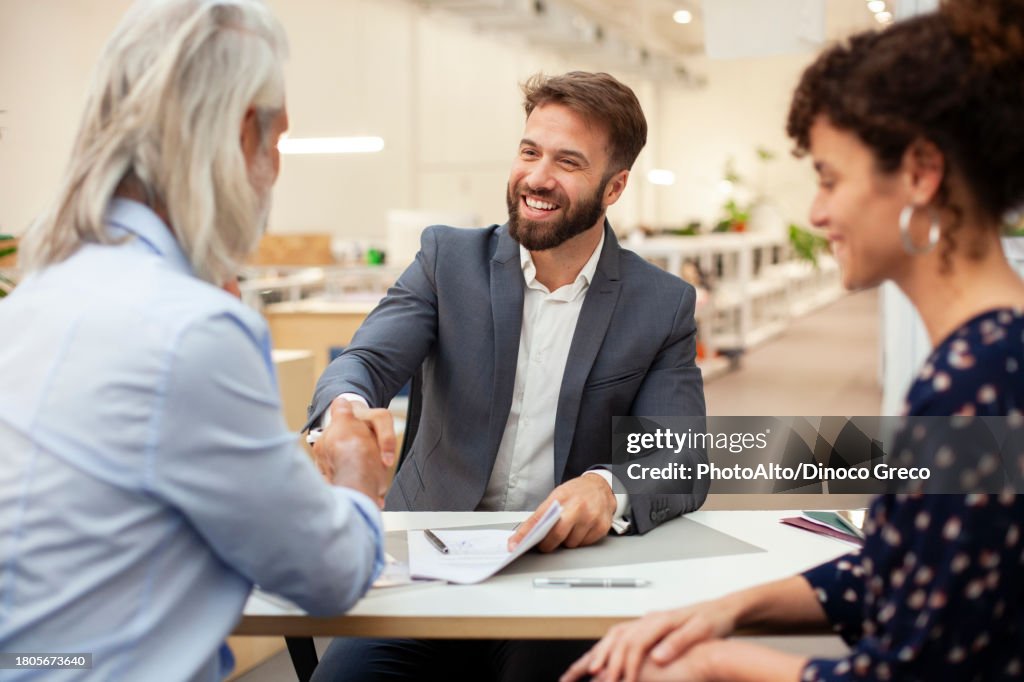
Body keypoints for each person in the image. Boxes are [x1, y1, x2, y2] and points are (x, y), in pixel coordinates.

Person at [563, 1, 1024, 681]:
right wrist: (727, 609)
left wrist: (717, 665)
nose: (816, 212)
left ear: (922, 174)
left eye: (830, 178)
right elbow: (904, 569)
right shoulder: (990, 356)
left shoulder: (974, 379)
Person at [0, 1, 394, 679]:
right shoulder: (192, 329)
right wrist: (359, 478)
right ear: (244, 133)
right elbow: (328, 575)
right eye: (278, 141)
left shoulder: (36, 296)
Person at [309, 71, 708, 681]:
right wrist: (343, 409)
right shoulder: (448, 261)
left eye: (568, 161)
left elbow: (680, 458)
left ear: (615, 186)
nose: (538, 177)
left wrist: (606, 487)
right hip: (429, 567)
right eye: (530, 151)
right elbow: (363, 363)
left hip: (563, 579)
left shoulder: (660, 305)